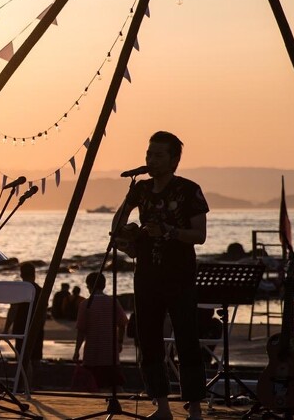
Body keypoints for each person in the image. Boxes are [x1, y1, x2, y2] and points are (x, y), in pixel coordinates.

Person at [111, 131, 209, 420]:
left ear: (174, 160)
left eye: (158, 155)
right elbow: (118, 223)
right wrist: (126, 237)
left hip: (180, 275)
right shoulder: (140, 189)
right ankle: (162, 406)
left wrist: (169, 231)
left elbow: (200, 235)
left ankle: (195, 408)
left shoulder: (189, 190)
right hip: (146, 274)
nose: (151, 160)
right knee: (148, 339)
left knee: (186, 339)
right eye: (148, 154)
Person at [73, 272, 128, 391]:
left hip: (92, 354)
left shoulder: (85, 304)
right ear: (104, 285)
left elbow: (81, 331)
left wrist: (77, 351)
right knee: (115, 385)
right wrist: (119, 341)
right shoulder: (113, 302)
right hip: (110, 353)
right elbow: (122, 323)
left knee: (93, 386)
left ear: (89, 286)